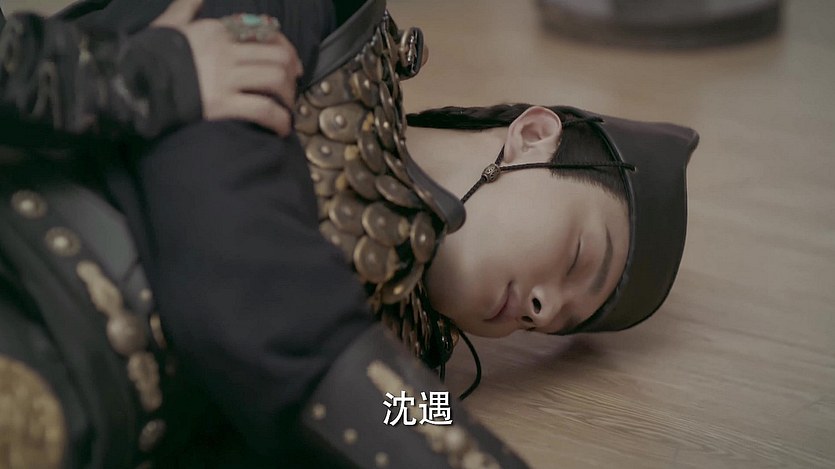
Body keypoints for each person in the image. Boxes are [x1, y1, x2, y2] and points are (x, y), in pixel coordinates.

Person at [0, 0, 697, 468]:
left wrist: (438, 410)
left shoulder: (417, 357)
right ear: (535, 135)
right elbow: (232, 280)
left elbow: (397, 410)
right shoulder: (313, 21)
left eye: (554, 325)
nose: (541, 310)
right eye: (577, 259)